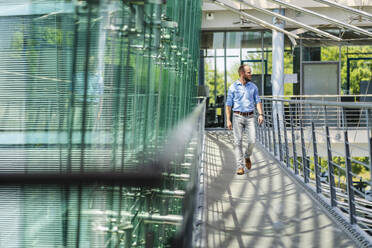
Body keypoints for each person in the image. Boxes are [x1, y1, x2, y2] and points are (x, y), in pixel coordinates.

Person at [225, 65, 264, 175]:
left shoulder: (253, 87)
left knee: (252, 140)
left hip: (250, 117)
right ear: (242, 73)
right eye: (248, 72)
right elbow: (228, 105)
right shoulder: (233, 87)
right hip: (237, 117)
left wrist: (260, 114)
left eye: (250, 72)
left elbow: (257, 101)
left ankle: (247, 156)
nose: (250, 74)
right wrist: (228, 120)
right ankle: (240, 166)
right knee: (238, 142)